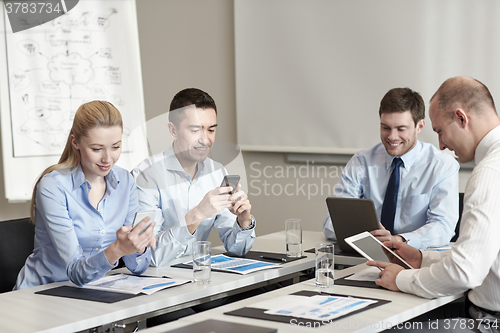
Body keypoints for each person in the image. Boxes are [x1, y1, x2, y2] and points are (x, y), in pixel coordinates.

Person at [368, 77, 500, 332]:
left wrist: (402, 278)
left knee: (382, 328)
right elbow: (482, 254)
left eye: (440, 131)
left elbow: (465, 271)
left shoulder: (489, 173)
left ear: (461, 118)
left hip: (487, 323)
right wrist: (421, 258)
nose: (441, 145)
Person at [14, 101, 156, 290]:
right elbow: (76, 272)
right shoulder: (53, 186)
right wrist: (118, 249)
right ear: (75, 142)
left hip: (94, 292)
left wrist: (139, 245)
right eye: (97, 149)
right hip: (43, 293)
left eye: (115, 147)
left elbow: (137, 267)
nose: (107, 158)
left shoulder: (125, 181)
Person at [323, 87, 460, 249]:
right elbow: (332, 223)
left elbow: (443, 228)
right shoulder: (362, 161)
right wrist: (370, 238)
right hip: (367, 254)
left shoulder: (442, 165)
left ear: (420, 126)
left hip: (416, 259)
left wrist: (399, 240)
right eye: (385, 127)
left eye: (401, 129)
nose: (392, 137)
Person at [132, 88, 255, 267]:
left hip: (199, 277)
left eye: (211, 130)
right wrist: (197, 215)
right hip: (159, 283)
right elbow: (150, 257)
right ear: (173, 131)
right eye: (195, 130)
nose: (205, 140)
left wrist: (244, 221)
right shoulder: (146, 176)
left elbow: (237, 249)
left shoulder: (218, 172)